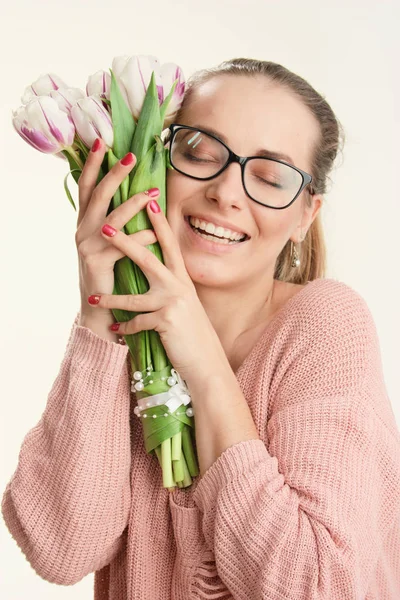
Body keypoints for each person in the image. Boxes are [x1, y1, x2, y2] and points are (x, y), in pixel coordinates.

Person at [2, 58, 400, 600]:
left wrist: (203, 360)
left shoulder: (325, 326)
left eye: (269, 177)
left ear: (306, 214)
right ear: (153, 161)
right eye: (200, 153)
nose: (226, 193)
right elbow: (61, 549)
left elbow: (318, 587)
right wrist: (99, 315)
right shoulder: (124, 337)